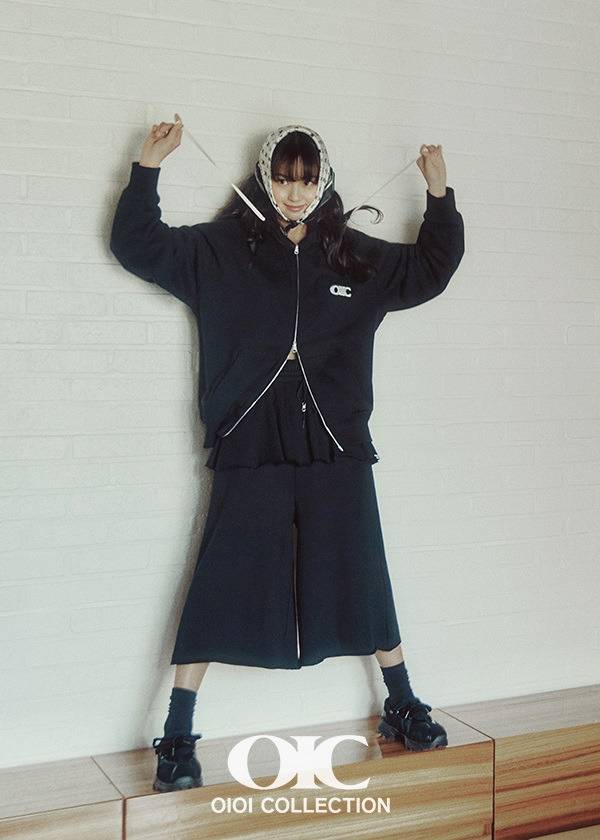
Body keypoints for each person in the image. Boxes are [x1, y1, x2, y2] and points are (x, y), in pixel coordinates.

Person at [109, 118, 465, 791]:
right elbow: (137, 244)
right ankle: (178, 733)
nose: (294, 192)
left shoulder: (352, 255)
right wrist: (148, 168)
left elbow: (430, 268)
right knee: (221, 574)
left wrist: (440, 195)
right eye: (282, 178)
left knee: (362, 568)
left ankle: (402, 701)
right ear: (264, 178)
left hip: (336, 442)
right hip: (251, 437)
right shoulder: (221, 249)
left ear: (322, 181)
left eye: (305, 180)